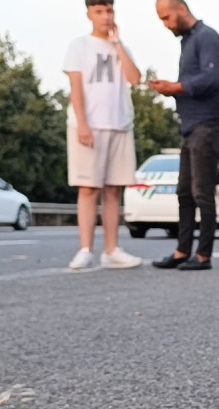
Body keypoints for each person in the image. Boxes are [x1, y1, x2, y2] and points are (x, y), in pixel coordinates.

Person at [63, 0, 144, 270]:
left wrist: (118, 44)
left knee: (114, 190)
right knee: (89, 189)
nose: (105, 16)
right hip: (89, 125)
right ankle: (85, 248)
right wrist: (83, 125)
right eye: (99, 12)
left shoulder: (122, 48)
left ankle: (112, 249)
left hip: (119, 124)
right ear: (89, 14)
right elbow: (76, 88)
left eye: (109, 11)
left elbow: (135, 79)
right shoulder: (79, 46)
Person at [149, 0, 219, 272]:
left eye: (166, 17)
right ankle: (183, 250)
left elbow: (211, 78)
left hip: (208, 126)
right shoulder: (188, 42)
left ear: (181, 9)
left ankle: (203, 255)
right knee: (184, 192)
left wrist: (176, 87)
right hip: (191, 128)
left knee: (201, 192)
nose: (165, 24)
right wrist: (173, 88)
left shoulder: (207, 37)